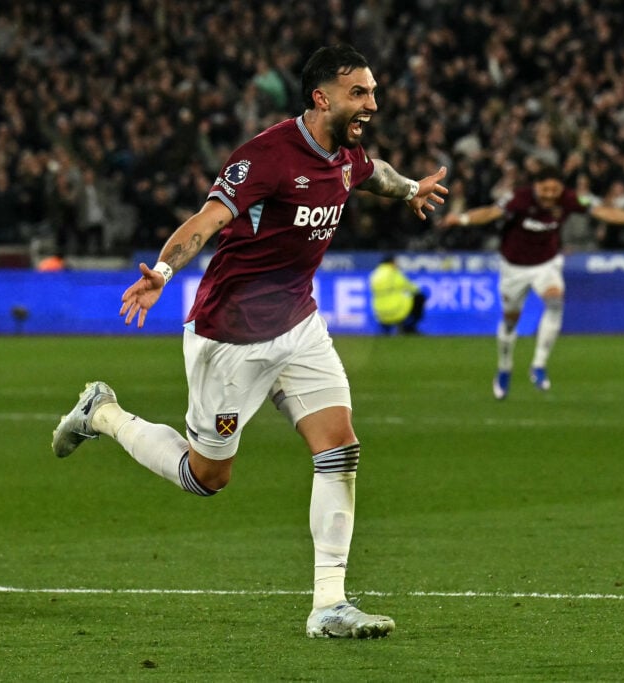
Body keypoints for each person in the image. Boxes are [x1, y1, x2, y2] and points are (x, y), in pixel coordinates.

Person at [51, 44, 448, 639]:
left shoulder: (345, 155)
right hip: (230, 337)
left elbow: (374, 175)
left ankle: (328, 605)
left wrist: (411, 187)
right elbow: (207, 221)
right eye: (359, 93)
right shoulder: (264, 156)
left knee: (339, 447)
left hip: (299, 325)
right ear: (322, 98)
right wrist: (160, 274)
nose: (372, 103)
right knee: (207, 477)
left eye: (372, 91)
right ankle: (102, 413)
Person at [441, 163, 624, 399]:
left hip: (546, 265)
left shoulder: (570, 199)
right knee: (510, 322)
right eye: (545, 190)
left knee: (556, 302)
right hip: (514, 269)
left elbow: (605, 212)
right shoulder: (519, 198)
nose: (550, 195)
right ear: (536, 186)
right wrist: (463, 218)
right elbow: (490, 212)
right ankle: (505, 368)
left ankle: (538, 365)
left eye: (554, 190)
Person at [368, 254, 427, 334]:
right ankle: (409, 328)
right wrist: (418, 290)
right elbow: (409, 286)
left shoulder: (374, 274)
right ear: (391, 262)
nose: (397, 264)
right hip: (396, 310)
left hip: (379, 313)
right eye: (396, 262)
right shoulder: (393, 273)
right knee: (420, 297)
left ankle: (385, 328)